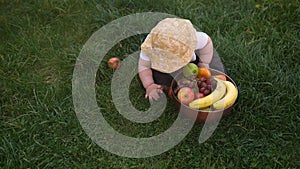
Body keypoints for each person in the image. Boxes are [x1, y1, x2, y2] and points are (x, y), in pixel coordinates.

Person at [138, 18, 225, 101]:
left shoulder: (194, 39)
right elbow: (144, 66)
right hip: (160, 62)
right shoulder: (149, 48)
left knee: (214, 66)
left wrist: (204, 62)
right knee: (163, 79)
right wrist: (149, 85)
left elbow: (207, 43)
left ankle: (218, 80)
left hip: (191, 60)